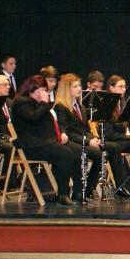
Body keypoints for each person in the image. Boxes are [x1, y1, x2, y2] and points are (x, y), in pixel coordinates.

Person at [10, 75, 77, 205]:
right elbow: (33, 118)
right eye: (41, 90)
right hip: (30, 145)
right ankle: (63, 194)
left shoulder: (39, 104)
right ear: (31, 89)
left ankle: (64, 192)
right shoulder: (22, 102)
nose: (44, 93)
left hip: (44, 142)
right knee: (66, 154)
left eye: (45, 90)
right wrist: (44, 103)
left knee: (72, 152)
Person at [53, 73, 103, 203]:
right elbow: (66, 131)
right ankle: (77, 190)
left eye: (79, 85)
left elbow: (85, 129)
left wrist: (93, 138)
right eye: (75, 86)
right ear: (66, 89)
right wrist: (87, 141)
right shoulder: (61, 107)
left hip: (81, 140)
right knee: (82, 151)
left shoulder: (81, 107)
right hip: (68, 142)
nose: (79, 89)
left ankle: (87, 189)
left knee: (102, 153)